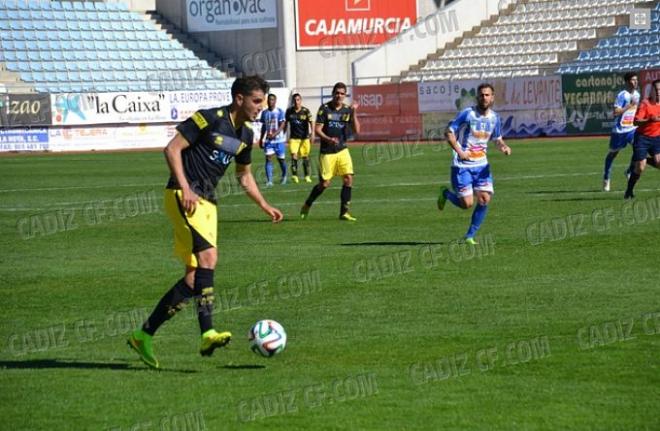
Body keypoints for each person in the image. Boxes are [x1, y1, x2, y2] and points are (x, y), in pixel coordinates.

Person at [128, 75, 283, 369]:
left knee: (193, 278)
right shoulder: (208, 118)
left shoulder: (247, 135)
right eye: (256, 101)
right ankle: (207, 332)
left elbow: (244, 175)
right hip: (184, 195)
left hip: (208, 203)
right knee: (209, 258)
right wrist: (185, 187)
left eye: (262, 101)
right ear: (239, 98)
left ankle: (143, 335)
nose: (260, 107)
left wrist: (264, 205)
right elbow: (172, 149)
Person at [437, 83, 511, 244]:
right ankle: (446, 194)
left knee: (484, 199)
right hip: (462, 166)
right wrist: (459, 151)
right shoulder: (467, 114)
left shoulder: (495, 118)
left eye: (487, 95)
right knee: (467, 204)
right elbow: (449, 132)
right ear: (477, 97)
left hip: (482, 165)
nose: (484, 98)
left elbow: (497, 138)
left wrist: (503, 147)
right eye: (481, 95)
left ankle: (469, 236)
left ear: (492, 97)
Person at [300, 82, 360, 221]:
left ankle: (344, 212)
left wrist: (354, 112)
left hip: (342, 150)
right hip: (327, 152)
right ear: (333, 93)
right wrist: (328, 139)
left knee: (348, 178)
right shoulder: (325, 109)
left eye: (342, 93)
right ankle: (307, 204)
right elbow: (317, 130)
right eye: (337, 93)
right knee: (325, 183)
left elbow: (357, 130)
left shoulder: (347, 110)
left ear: (345, 95)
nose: (339, 95)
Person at [603, 72, 640, 192]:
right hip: (620, 131)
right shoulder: (622, 95)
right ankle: (606, 178)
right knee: (612, 155)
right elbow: (616, 112)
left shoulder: (637, 95)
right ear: (627, 81)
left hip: (632, 129)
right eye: (633, 80)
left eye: (636, 80)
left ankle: (629, 171)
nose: (635, 82)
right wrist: (629, 106)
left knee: (639, 150)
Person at [624, 79, 660, 199]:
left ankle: (643, 159)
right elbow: (635, 121)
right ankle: (629, 191)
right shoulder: (645, 104)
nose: (659, 92)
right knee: (640, 167)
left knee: (659, 162)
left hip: (657, 138)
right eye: (657, 90)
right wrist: (649, 120)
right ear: (652, 91)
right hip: (642, 138)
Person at [285, 93, 314, 183]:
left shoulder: (306, 111)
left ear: (300, 100)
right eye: (295, 100)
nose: (296, 102)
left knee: (305, 157)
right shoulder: (289, 111)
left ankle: (307, 176)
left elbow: (311, 121)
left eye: (298, 100)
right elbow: (286, 123)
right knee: (294, 155)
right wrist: (284, 134)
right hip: (294, 138)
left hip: (304, 138)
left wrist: (313, 133)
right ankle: (294, 175)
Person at [259, 93, 288, 186]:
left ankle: (284, 176)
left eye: (272, 99)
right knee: (268, 159)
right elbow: (263, 126)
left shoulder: (280, 111)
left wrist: (274, 134)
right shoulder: (264, 113)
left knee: (281, 160)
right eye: (268, 99)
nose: (269, 101)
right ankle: (270, 181)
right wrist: (261, 138)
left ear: (275, 101)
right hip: (269, 141)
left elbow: (282, 125)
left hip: (279, 141)